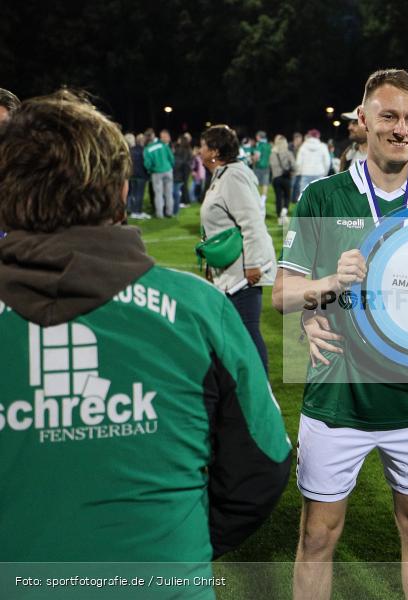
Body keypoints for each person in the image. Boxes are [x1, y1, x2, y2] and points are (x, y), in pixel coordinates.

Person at [0, 91, 291, 580]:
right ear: (120, 192)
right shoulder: (199, 308)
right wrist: (179, 540)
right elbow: (264, 465)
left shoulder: (204, 307)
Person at [273, 69, 408, 600]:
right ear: (363, 120)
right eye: (389, 116)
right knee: (317, 535)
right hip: (338, 395)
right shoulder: (322, 197)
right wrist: (329, 284)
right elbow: (282, 293)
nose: (401, 129)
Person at [199, 125, 277, 371]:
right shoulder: (222, 175)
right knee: (234, 333)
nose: (199, 151)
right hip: (230, 269)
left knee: (247, 331)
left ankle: (261, 387)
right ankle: (241, 384)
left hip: (242, 272)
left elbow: (252, 222)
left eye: (202, 146)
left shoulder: (233, 176)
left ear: (214, 151)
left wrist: (252, 264)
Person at [143, 129, 175, 218]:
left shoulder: (147, 149)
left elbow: (147, 164)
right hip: (168, 170)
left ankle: (160, 214)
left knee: (158, 194)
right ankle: (169, 212)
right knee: (169, 193)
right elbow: (171, 157)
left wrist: (151, 170)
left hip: (156, 173)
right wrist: (170, 166)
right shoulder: (162, 144)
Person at [295, 128, 331, 197]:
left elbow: (299, 161)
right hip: (319, 173)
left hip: (306, 173)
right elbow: (327, 162)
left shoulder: (303, 146)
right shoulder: (322, 146)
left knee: (304, 197)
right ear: (318, 136)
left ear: (309, 136)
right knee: (318, 197)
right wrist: (325, 173)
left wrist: (299, 172)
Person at [271, 134, 295, 224]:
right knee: (287, 196)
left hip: (276, 178)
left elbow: (271, 166)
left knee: (278, 197)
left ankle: (279, 218)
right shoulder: (288, 153)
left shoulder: (272, 154)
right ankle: (284, 211)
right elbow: (294, 166)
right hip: (286, 178)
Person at [127, 132, 151, 220]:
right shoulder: (144, 150)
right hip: (141, 175)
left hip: (132, 175)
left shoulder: (130, 150)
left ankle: (133, 210)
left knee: (133, 194)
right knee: (139, 195)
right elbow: (147, 164)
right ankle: (137, 212)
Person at [338, 105, 368, 172]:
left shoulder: (386, 158)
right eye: (350, 123)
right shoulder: (348, 153)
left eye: (355, 123)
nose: (349, 128)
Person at [253, 130, 272, 203]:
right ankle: (263, 199)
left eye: (257, 136)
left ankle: (256, 198)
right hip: (266, 167)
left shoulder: (260, 145)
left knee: (255, 183)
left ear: (259, 137)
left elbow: (256, 156)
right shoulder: (268, 145)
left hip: (258, 167)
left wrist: (253, 161)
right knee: (265, 184)